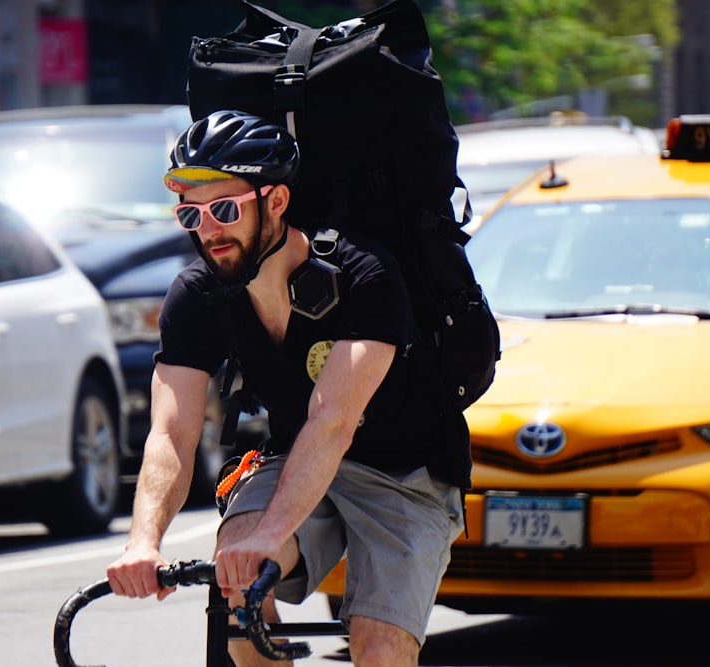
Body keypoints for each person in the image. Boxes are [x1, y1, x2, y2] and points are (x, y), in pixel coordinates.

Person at [105, 109, 469, 667]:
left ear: (275, 202)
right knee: (237, 581)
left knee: (377, 648)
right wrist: (143, 541)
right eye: (190, 214)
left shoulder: (363, 274)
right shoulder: (198, 294)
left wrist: (272, 533)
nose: (208, 230)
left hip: (405, 472)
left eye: (224, 210)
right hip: (297, 458)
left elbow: (334, 420)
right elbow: (171, 433)